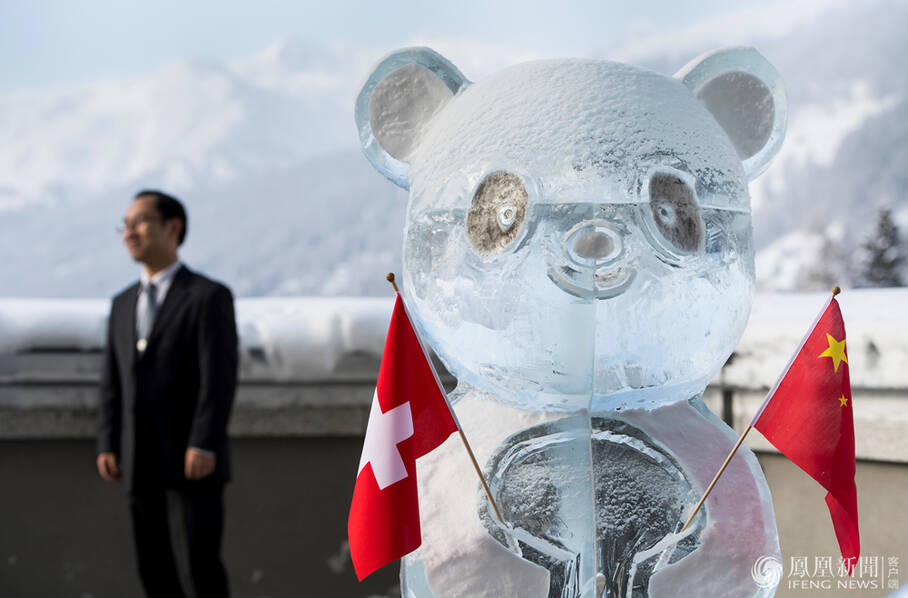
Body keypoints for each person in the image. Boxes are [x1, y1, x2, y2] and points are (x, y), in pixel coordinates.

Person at [97, 189, 238, 598]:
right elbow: (112, 380)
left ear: (172, 227)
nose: (129, 232)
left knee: (200, 570)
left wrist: (204, 443)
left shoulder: (208, 296)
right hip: (136, 461)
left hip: (192, 461)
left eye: (139, 221)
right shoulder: (122, 303)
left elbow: (220, 377)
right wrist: (108, 441)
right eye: (125, 225)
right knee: (154, 572)